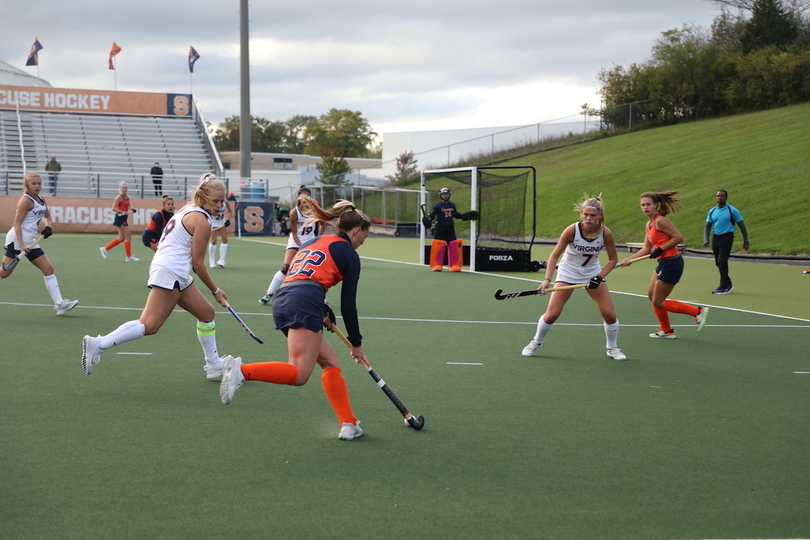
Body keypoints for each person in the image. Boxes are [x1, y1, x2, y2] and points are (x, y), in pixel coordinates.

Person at [219, 198, 371, 441]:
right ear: (356, 231)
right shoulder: (349, 254)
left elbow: (302, 276)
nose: (363, 242)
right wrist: (356, 342)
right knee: (299, 374)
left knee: (330, 362)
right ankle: (241, 371)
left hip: (285, 299)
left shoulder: (313, 241)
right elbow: (349, 305)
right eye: (364, 236)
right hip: (304, 301)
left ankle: (349, 423)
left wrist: (322, 308)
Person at [82, 173, 230, 379]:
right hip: (171, 271)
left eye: (222, 201)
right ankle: (99, 344)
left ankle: (213, 365)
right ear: (203, 197)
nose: (220, 205)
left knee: (206, 314)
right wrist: (216, 290)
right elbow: (198, 264)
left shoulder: (188, 208)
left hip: (175, 271)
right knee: (149, 325)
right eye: (216, 201)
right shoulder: (202, 221)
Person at [521, 195, 626, 360]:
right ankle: (536, 342)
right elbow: (554, 256)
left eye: (592, 215)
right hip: (568, 273)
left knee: (610, 315)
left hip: (592, 274)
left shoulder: (606, 234)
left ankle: (612, 348)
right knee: (551, 315)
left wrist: (599, 277)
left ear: (600, 216)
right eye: (585, 215)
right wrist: (547, 280)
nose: (588, 219)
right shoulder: (572, 230)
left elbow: (613, 260)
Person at [621, 191, 708, 339]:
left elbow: (678, 237)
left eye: (648, 204)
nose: (645, 207)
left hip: (672, 263)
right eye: (643, 205)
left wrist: (661, 249)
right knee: (651, 295)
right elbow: (646, 249)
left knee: (659, 301)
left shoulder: (660, 221)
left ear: (655, 205)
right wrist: (629, 259)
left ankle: (697, 312)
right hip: (662, 262)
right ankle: (667, 330)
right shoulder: (649, 224)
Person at [1, 172, 79, 315]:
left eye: (39, 183)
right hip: (17, 240)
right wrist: (22, 245)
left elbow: (47, 216)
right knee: (4, 273)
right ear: (27, 185)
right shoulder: (25, 201)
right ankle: (60, 304)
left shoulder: (41, 199)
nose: (37, 186)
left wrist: (48, 227)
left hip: (30, 241)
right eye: (33, 184)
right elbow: (16, 224)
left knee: (48, 269)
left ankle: (60, 305)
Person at [259, 185, 321, 304]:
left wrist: (318, 238)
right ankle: (269, 294)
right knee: (286, 268)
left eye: (308, 197)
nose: (305, 200)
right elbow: (294, 233)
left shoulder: (315, 210)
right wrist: (301, 246)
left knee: (312, 271)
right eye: (303, 197)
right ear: (298, 198)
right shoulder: (294, 212)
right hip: (295, 242)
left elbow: (322, 224)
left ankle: (321, 298)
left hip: (311, 243)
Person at [703, 189, 749, 294]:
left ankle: (722, 286)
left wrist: (745, 241)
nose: (720, 197)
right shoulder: (712, 211)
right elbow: (707, 226)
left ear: (726, 197)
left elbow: (742, 226)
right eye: (718, 196)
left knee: (722, 261)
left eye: (722, 196)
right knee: (718, 262)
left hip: (727, 237)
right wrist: (706, 239)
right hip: (716, 237)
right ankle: (728, 283)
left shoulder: (732, 210)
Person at [423, 187, 478, 271]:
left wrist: (463, 216)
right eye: (444, 194)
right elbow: (433, 215)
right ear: (441, 195)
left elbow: (455, 214)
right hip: (440, 228)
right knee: (439, 245)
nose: (445, 196)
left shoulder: (452, 204)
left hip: (450, 227)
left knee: (453, 245)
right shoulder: (438, 205)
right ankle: (437, 264)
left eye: (447, 194)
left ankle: (454, 265)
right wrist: (428, 218)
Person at [100, 181, 139, 262]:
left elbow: (128, 205)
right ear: (120, 189)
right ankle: (128, 257)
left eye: (126, 188)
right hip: (120, 218)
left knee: (121, 238)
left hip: (124, 217)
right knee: (128, 236)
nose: (125, 189)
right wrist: (122, 211)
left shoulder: (127, 197)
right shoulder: (119, 197)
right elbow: (113, 208)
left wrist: (132, 208)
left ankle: (105, 249)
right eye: (123, 188)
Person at [209, 192, 236, 268]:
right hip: (213, 224)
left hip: (221, 223)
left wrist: (228, 220)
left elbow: (230, 212)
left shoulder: (226, 203)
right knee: (213, 241)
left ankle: (222, 260)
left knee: (225, 239)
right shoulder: (212, 203)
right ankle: (211, 259)